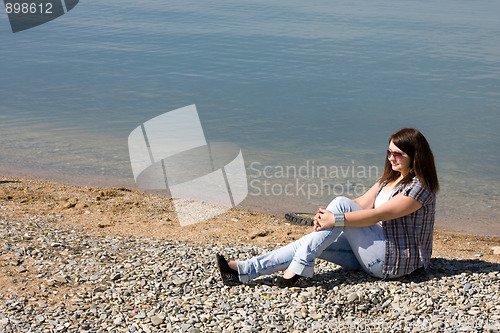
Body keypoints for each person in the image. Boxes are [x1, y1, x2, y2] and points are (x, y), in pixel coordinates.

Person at [216, 128, 439, 287]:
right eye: (389, 152)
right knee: (306, 244)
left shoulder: (420, 187)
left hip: (394, 262)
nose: (391, 157)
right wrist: (328, 218)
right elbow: (361, 205)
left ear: (415, 156)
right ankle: (243, 270)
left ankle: (299, 269)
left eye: (398, 154)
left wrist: (335, 219)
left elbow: (378, 214)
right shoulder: (388, 180)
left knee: (340, 204)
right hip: (373, 252)